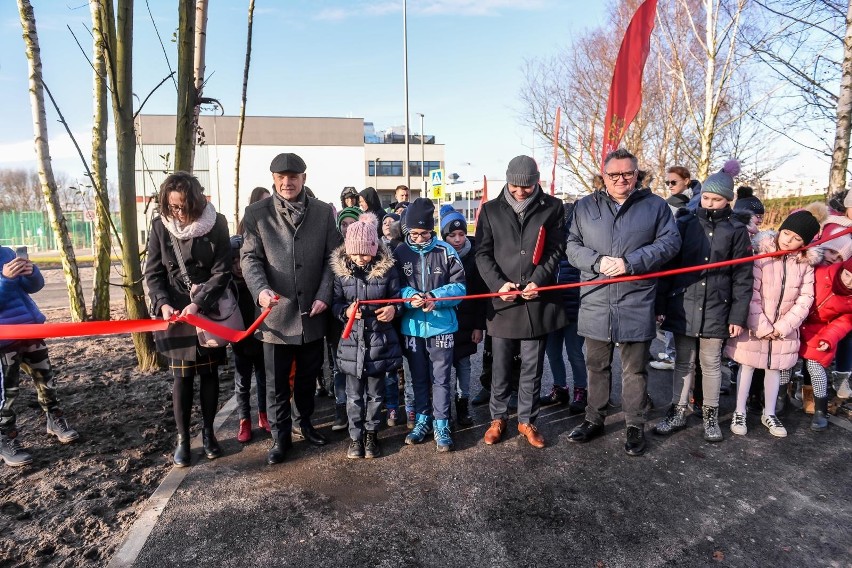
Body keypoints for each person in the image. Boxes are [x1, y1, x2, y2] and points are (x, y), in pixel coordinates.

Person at [565, 148, 681, 456]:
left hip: (636, 298)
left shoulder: (655, 206)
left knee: (635, 369)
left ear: (637, 174)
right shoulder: (585, 207)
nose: (621, 180)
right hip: (596, 297)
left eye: (628, 174)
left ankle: (634, 424)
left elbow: (670, 242)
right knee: (596, 366)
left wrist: (631, 262)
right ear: (603, 175)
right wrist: (598, 262)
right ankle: (594, 418)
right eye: (614, 174)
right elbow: (571, 246)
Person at [241, 153, 342, 465]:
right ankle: (280, 436)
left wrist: (325, 293)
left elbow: (333, 256)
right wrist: (260, 291)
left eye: (293, 176)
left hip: (313, 313)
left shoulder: (324, 212)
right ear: (273, 179)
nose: (288, 182)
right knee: (276, 383)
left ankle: (305, 422)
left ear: (303, 179)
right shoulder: (256, 214)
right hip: (275, 317)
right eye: (282, 177)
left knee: (308, 376)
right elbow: (249, 258)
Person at [653, 164, 753, 442]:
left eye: (716, 199)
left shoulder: (736, 230)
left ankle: (710, 413)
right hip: (684, 304)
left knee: (710, 363)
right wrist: (661, 304)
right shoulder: (685, 223)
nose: (709, 204)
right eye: (706, 197)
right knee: (683, 362)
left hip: (717, 308)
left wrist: (738, 315)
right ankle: (677, 410)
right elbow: (669, 266)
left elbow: (743, 277)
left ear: (728, 201)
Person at [475, 155, 568, 449]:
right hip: (503, 301)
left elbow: (556, 249)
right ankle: (498, 418)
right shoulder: (490, 210)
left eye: (526, 187)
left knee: (532, 366)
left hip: (536, 300)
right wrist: (497, 284)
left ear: (536, 181)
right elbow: (482, 253)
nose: (519, 192)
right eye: (515, 186)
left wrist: (538, 281)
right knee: (500, 365)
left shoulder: (553, 207)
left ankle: (527, 420)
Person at [144, 172, 232, 467]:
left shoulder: (216, 223)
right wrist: (162, 303)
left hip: (207, 309)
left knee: (209, 374)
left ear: (195, 201)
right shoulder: (160, 226)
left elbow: (222, 271)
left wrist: (199, 303)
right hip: (176, 316)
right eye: (172, 207)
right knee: (181, 378)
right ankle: (183, 439)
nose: (177, 213)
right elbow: (153, 273)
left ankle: (208, 434)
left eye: (182, 207)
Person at [725, 210, 821, 438]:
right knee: (746, 367)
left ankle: (769, 413)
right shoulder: (761, 254)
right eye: (786, 233)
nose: (789, 240)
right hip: (756, 325)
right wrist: (762, 325)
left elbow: (806, 298)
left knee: (774, 369)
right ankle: (739, 410)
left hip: (783, 330)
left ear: (805, 243)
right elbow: (752, 290)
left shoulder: (805, 264)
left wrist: (783, 326)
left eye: (797, 238)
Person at [394, 198, 466, 452]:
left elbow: (460, 287)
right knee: (418, 378)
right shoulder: (400, 252)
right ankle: (422, 419)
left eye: (424, 233)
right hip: (412, 327)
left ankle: (442, 423)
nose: (419, 238)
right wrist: (409, 296)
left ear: (432, 230)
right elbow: (394, 287)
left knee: (441, 378)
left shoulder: (446, 250)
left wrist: (436, 298)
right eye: (414, 233)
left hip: (442, 326)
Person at [330, 213, 402, 458]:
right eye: (354, 253)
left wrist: (394, 309)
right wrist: (345, 311)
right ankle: (355, 436)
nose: (360, 259)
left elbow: (398, 299)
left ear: (374, 249)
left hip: (378, 342)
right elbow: (335, 304)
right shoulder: (341, 274)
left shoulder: (387, 272)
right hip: (351, 343)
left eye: (365, 253)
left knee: (375, 394)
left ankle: (372, 434)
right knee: (353, 397)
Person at [0, 247, 80, 467]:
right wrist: (5, 279)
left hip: (30, 331)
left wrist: (31, 272)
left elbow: (35, 287)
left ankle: (55, 420)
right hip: (4, 341)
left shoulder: (6, 253)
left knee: (46, 380)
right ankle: (6, 438)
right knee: (8, 393)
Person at [440, 205, 486, 427]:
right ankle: (443, 408)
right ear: (444, 236)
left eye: (461, 234)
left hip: (467, 323)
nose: (458, 239)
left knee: (464, 365)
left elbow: (480, 295)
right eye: (452, 235)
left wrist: (478, 326)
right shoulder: (438, 256)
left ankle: (463, 404)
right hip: (443, 324)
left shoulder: (474, 256)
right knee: (442, 367)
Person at [540, 200, 588, 414]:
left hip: (575, 309)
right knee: (553, 352)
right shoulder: (547, 244)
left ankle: (581, 390)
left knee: (575, 353)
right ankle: (560, 388)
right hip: (551, 309)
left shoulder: (581, 246)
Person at [232, 187, 271, 444]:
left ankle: (263, 414)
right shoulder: (237, 241)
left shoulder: (269, 241)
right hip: (240, 322)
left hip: (263, 320)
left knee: (264, 374)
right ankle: (244, 419)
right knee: (242, 378)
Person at [798, 257, 852, 431]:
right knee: (785, 362)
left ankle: (821, 410)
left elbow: (844, 321)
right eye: (847, 274)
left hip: (820, 330)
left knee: (816, 365)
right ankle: (779, 399)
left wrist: (829, 338)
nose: (848, 281)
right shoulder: (821, 272)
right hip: (795, 318)